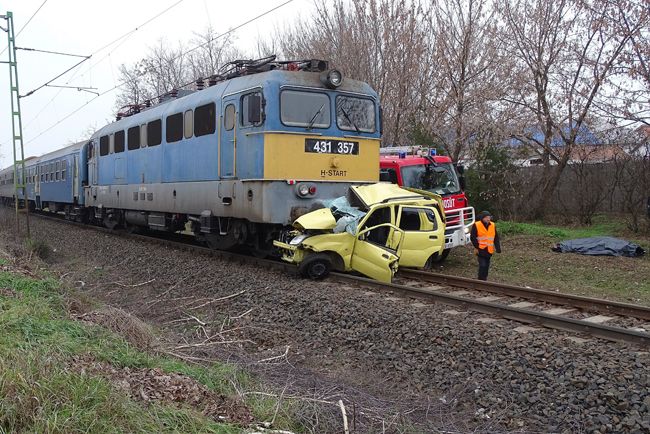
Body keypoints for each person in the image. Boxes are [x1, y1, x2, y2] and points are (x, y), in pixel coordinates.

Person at [470, 211, 501, 280]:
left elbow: (496, 237)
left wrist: (498, 248)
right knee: (482, 265)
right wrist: (477, 246)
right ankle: (480, 279)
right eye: (486, 217)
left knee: (486, 265)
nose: (488, 219)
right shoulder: (477, 225)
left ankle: (484, 279)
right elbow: (473, 237)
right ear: (482, 218)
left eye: (489, 217)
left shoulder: (493, 225)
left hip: (489, 249)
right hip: (480, 249)